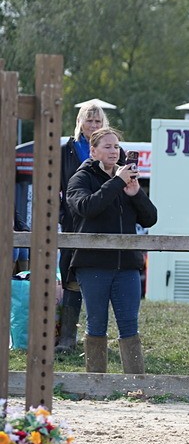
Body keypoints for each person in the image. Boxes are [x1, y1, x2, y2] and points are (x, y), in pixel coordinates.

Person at [66, 126, 158, 374]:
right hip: (92, 264)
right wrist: (117, 182)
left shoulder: (126, 180)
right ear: (93, 151)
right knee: (96, 324)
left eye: (116, 146)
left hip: (127, 265)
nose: (113, 151)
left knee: (130, 325)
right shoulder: (80, 178)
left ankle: (136, 384)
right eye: (107, 146)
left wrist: (136, 193)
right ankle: (96, 383)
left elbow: (150, 219)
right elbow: (86, 207)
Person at [56, 101, 109, 353]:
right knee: (69, 275)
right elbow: (54, 186)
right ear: (80, 122)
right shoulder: (67, 149)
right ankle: (67, 338)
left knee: (103, 276)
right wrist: (59, 214)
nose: (94, 125)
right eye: (90, 120)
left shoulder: (111, 149)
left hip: (102, 220)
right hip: (71, 221)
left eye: (98, 121)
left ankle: (97, 337)